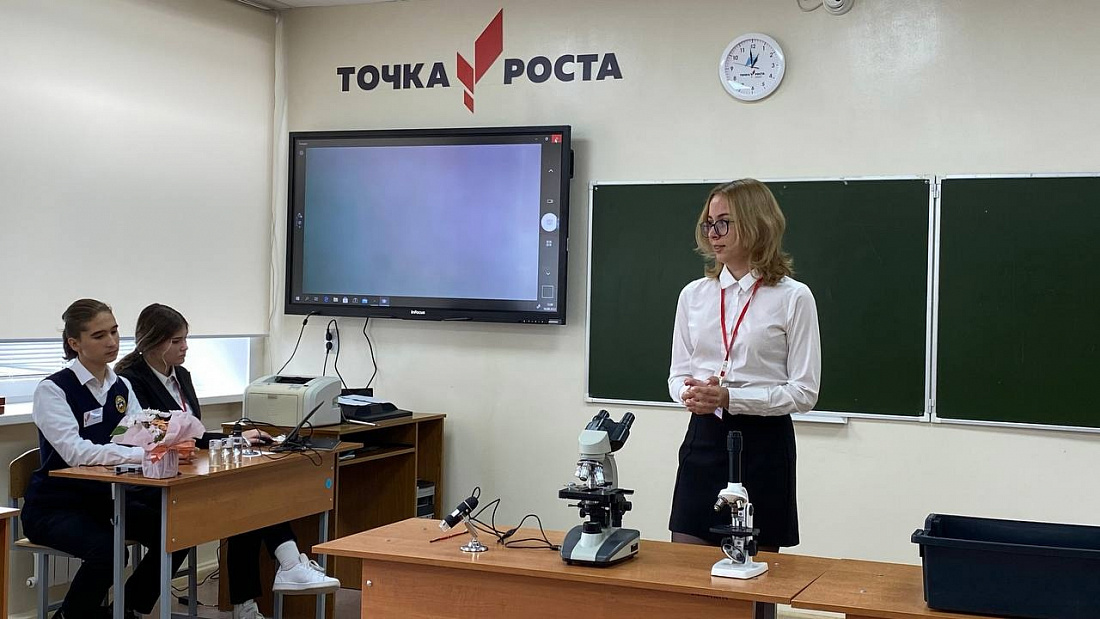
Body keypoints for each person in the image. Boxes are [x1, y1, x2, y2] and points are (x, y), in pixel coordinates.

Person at [115, 303, 339, 619]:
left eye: (185, 339)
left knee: (245, 502)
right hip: (147, 482)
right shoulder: (129, 381)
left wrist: (237, 438)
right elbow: (143, 432)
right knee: (224, 510)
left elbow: (193, 433)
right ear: (153, 342)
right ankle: (285, 567)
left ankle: (256, 596)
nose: (185, 347)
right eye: (177, 341)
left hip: (184, 472)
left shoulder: (181, 376)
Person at [667, 179, 821, 552]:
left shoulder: (793, 297)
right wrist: (691, 394)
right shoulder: (693, 295)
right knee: (684, 568)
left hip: (764, 445)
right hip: (704, 438)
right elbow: (677, 375)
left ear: (756, 224)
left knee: (756, 572)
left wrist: (731, 399)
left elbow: (804, 392)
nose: (712, 233)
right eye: (708, 223)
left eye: (723, 222)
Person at [22, 299, 188, 619]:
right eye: (99, 336)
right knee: (108, 552)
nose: (112, 342)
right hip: (56, 506)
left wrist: (171, 442)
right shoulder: (53, 390)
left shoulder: (121, 386)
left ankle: (128, 609)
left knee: (179, 532)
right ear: (75, 343)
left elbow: (141, 433)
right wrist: (143, 454)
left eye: (114, 332)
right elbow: (77, 452)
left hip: (106, 501)